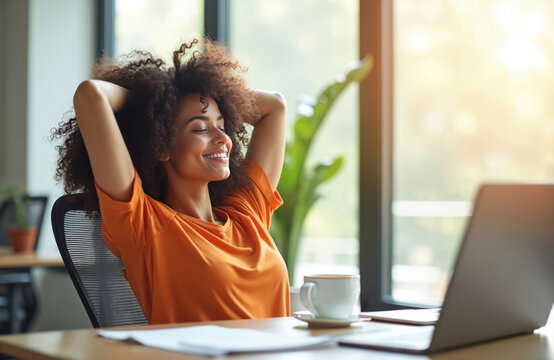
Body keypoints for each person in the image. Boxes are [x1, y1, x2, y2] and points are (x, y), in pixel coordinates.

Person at [52, 38, 289, 324]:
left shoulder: (246, 212)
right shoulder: (142, 224)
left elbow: (275, 106)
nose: (223, 139)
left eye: (222, 125)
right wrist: (151, 102)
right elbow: (91, 96)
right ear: (162, 145)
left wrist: (200, 97)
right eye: (200, 128)